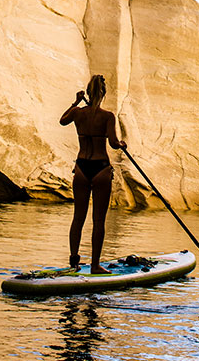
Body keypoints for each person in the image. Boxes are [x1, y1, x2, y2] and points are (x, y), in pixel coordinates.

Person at [59, 74, 125, 274]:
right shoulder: (107, 116)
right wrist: (122, 144)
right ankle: (95, 265)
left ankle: (74, 263)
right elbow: (113, 143)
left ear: (87, 92)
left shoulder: (78, 113)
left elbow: (62, 121)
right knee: (98, 220)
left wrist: (75, 102)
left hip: (81, 168)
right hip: (100, 168)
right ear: (103, 93)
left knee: (78, 218)